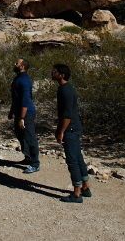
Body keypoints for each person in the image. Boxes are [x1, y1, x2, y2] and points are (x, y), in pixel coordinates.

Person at [52, 63, 91, 203]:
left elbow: (67, 115)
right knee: (78, 157)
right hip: (74, 127)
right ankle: (85, 187)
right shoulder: (64, 89)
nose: (52, 73)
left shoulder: (66, 91)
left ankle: (76, 193)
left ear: (62, 75)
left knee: (72, 161)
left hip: (71, 129)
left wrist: (61, 131)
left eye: (55, 71)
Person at [8, 58, 40, 174]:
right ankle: (28, 157)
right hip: (18, 112)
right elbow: (15, 97)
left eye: (16, 63)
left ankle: (35, 163)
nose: (14, 64)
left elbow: (25, 100)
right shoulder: (18, 78)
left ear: (22, 66)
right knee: (19, 134)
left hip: (26, 114)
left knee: (29, 136)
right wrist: (12, 111)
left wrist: (22, 118)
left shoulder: (25, 80)